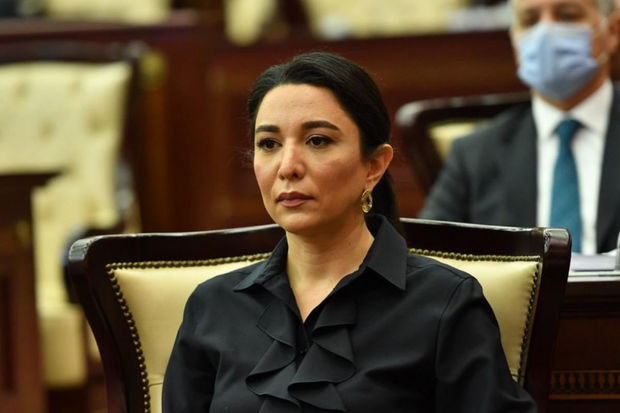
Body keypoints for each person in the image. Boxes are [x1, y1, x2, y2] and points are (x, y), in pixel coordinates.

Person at [162, 52, 536, 412]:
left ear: (374, 166)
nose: (287, 167)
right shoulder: (212, 306)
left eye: (317, 140)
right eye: (269, 144)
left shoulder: (444, 304)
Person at [420, 0, 620, 254]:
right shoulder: (474, 155)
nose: (546, 32)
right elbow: (427, 256)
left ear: (612, 30)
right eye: (530, 21)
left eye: (567, 16)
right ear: (514, 37)